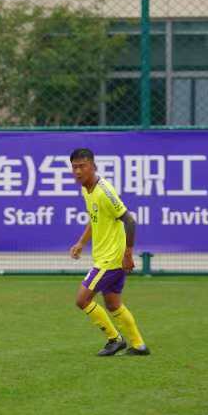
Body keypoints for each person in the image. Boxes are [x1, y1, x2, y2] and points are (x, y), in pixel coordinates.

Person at [69, 148, 150, 356]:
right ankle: (139, 345)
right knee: (113, 304)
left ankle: (115, 339)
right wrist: (81, 242)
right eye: (74, 167)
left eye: (82, 166)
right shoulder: (86, 190)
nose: (78, 171)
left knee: (82, 300)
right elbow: (94, 219)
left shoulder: (104, 192)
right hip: (107, 257)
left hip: (111, 260)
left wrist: (128, 254)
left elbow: (129, 220)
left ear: (93, 166)